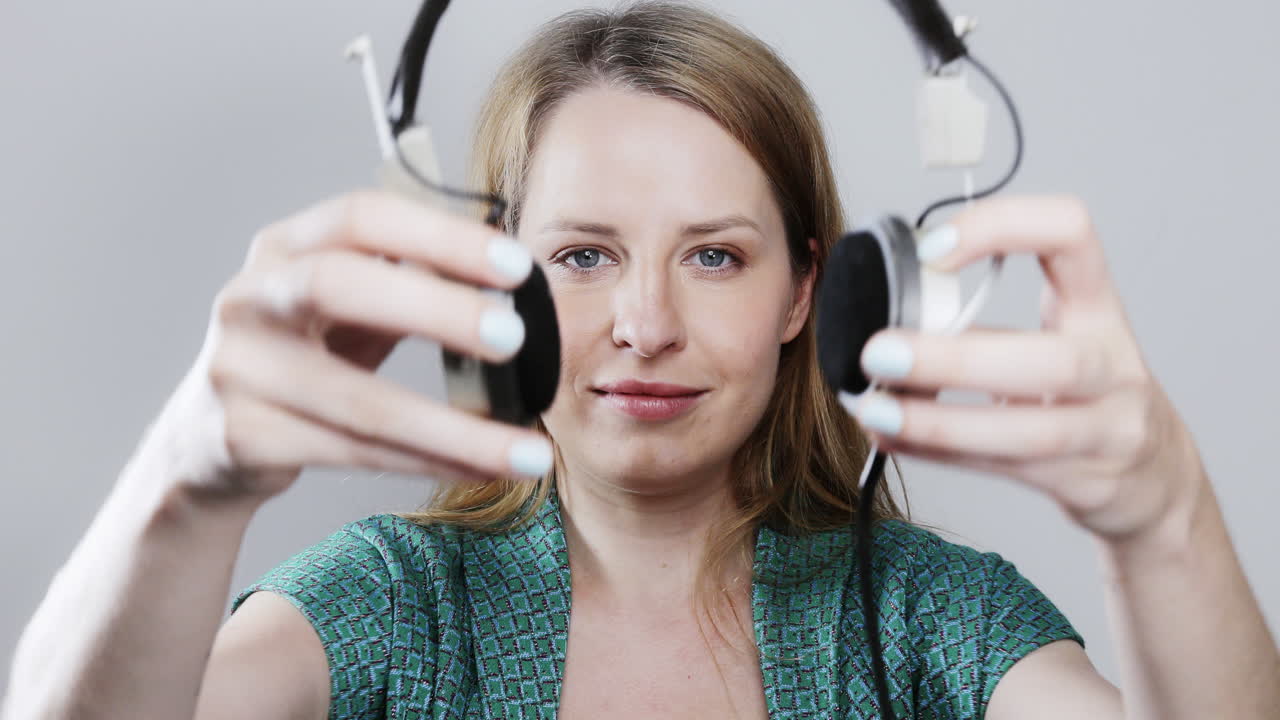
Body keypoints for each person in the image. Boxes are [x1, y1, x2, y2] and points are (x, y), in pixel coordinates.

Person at [5, 2, 1277, 719]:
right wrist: (186, 483)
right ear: (494, 286)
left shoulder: (930, 618)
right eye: (580, 256)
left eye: (714, 256)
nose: (644, 323)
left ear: (809, 292)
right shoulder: (391, 603)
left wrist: (1162, 515)